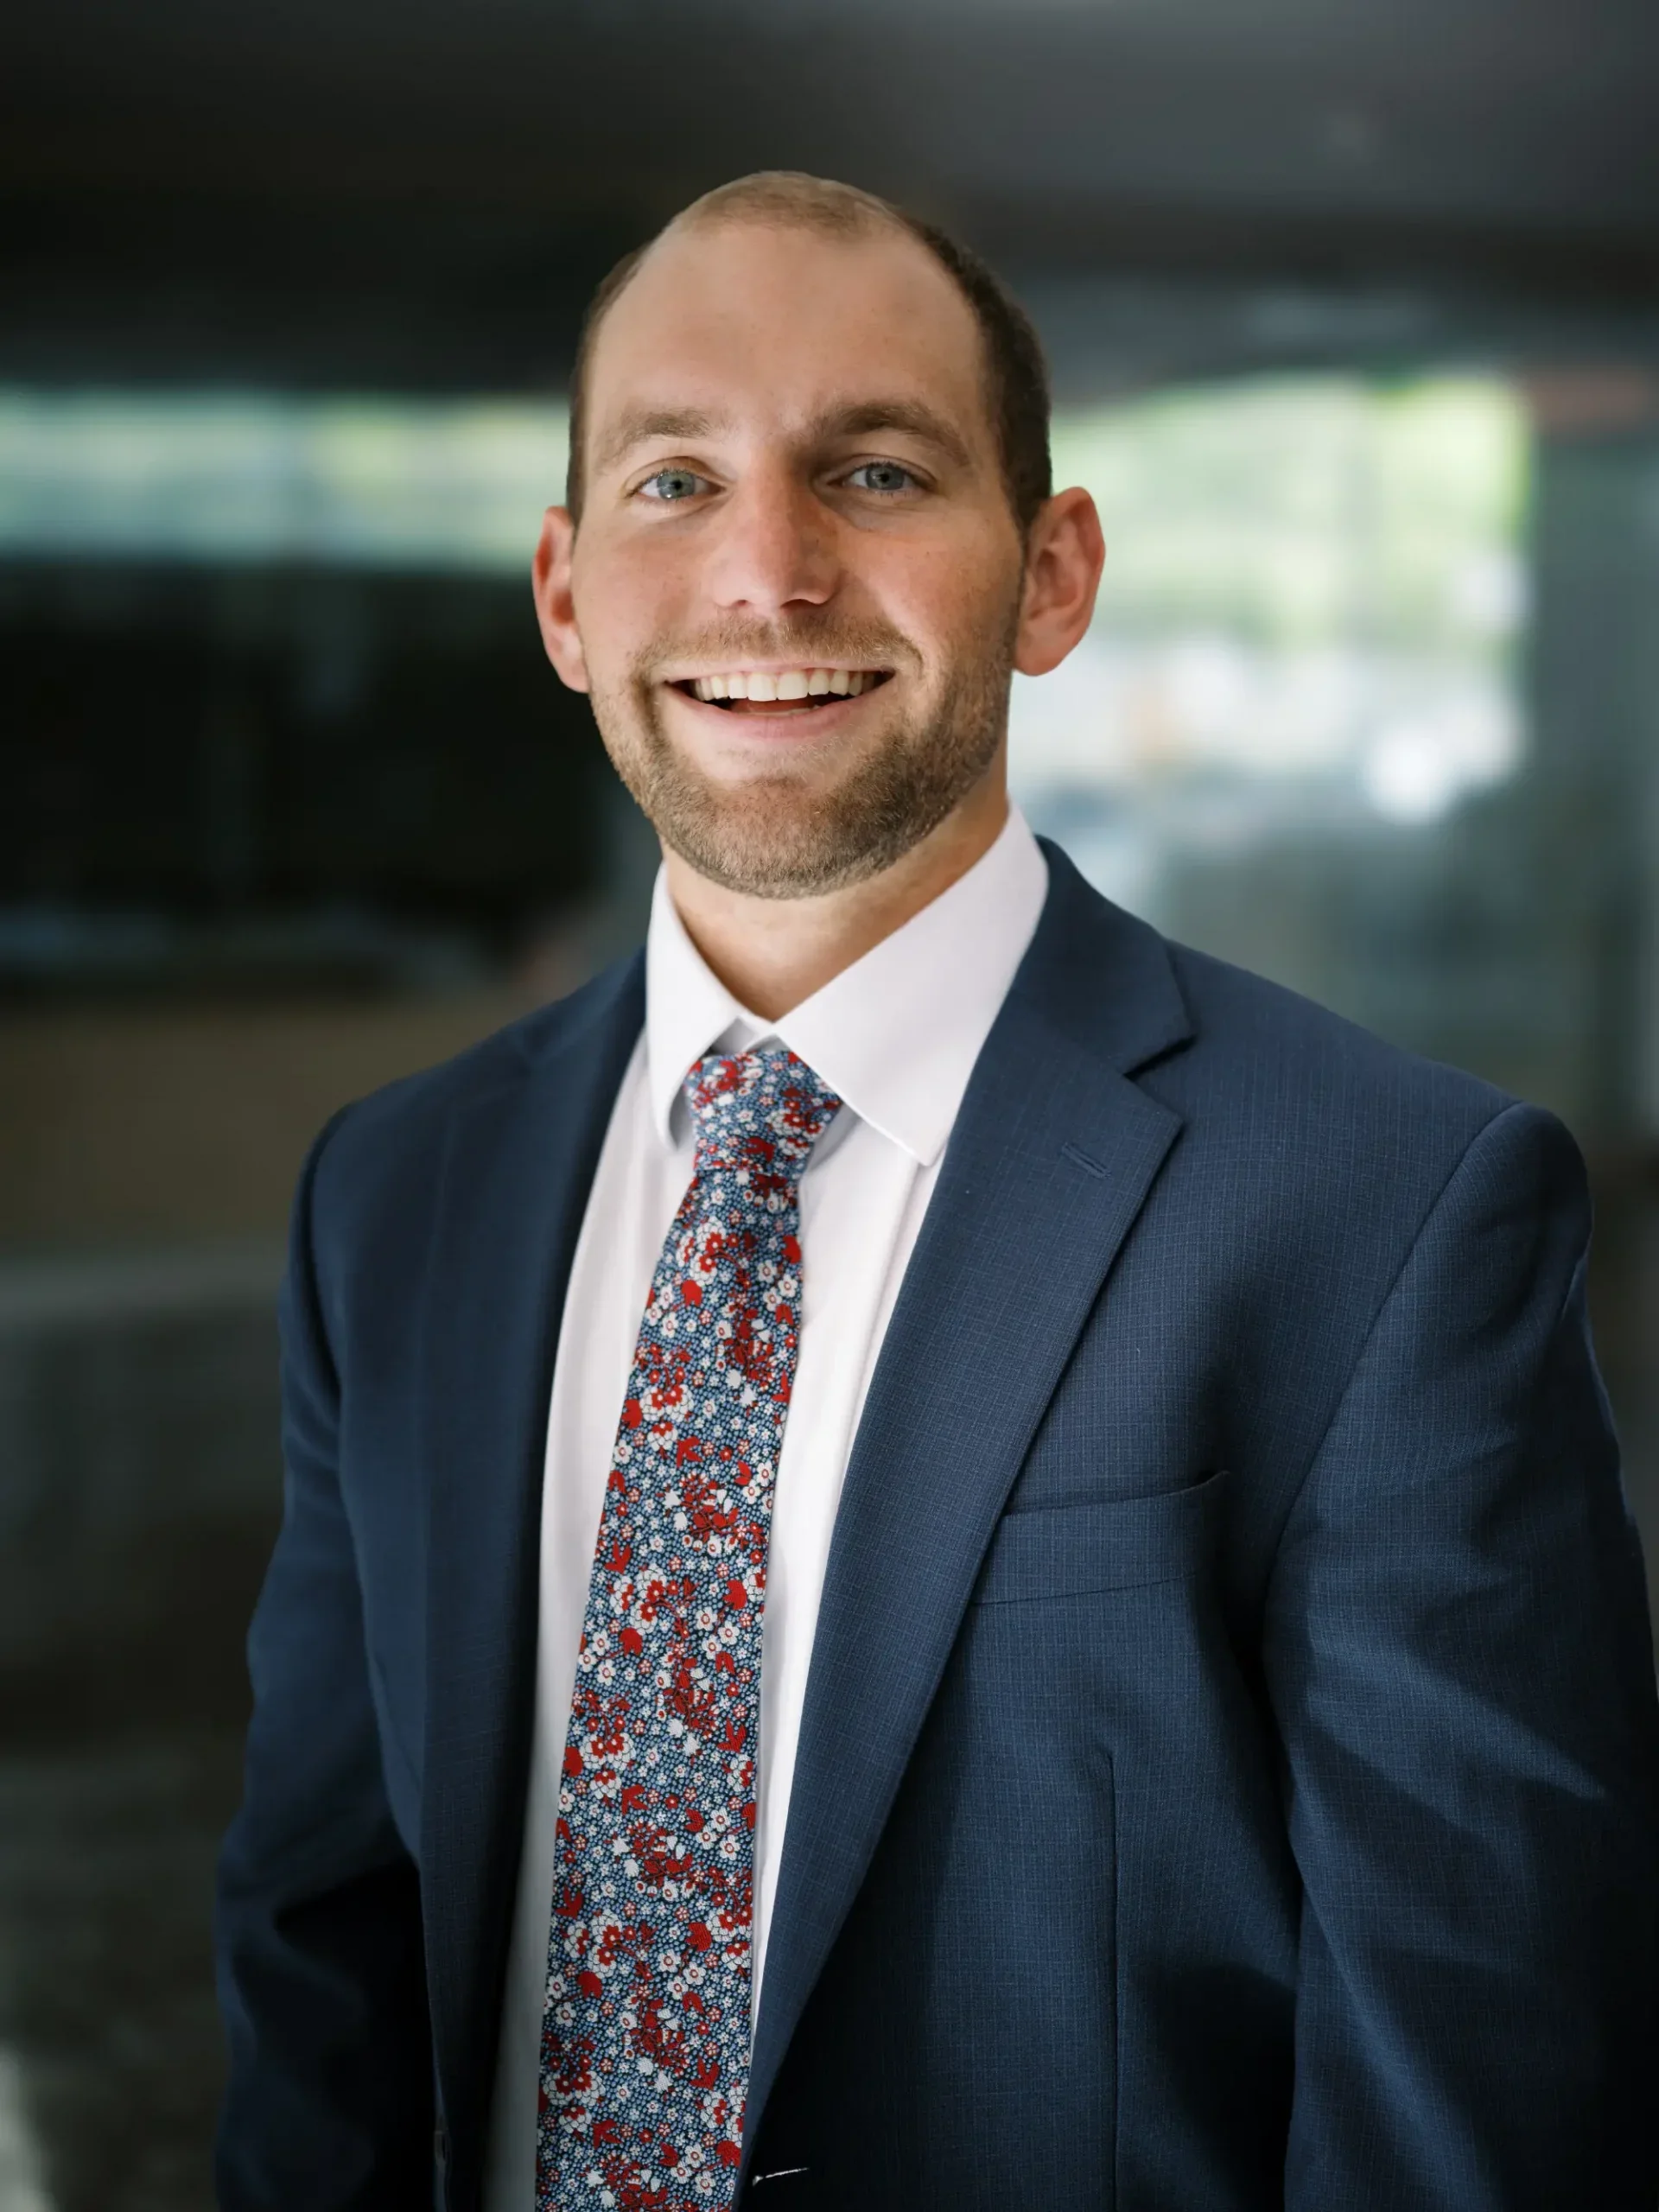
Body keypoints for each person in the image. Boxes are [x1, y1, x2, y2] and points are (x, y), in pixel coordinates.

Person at [214, 171, 1659, 2212]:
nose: (769, 572)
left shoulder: (1385, 1213)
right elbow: (320, 1956)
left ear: (1050, 575)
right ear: (563, 593)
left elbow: (1483, 2102)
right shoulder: (397, 1199)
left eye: (875, 471)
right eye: (672, 484)